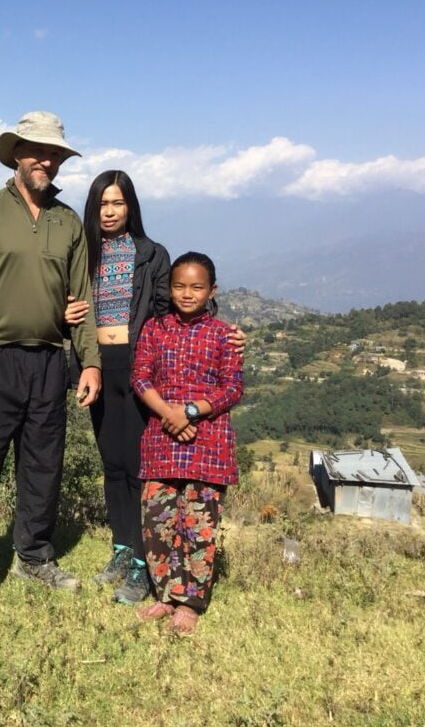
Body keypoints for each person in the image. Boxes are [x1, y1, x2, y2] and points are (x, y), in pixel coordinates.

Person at [64, 171, 245, 606]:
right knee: (112, 463)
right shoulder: (80, 252)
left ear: (131, 207)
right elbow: (62, 300)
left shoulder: (151, 254)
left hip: (140, 365)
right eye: (103, 203)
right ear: (93, 207)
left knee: (139, 463)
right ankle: (122, 550)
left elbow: (174, 314)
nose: (110, 211)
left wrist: (231, 337)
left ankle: (146, 562)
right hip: (96, 363)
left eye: (118, 203)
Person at [0, 111, 102, 614]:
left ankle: (33, 555)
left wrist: (90, 363)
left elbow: (82, 301)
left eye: (55, 153)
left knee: (43, 467)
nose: (47, 160)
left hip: (50, 361)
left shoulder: (68, 222)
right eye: (38, 151)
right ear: (16, 154)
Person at [130, 251, 243, 636]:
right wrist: (169, 414)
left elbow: (233, 387)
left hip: (207, 441)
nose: (187, 294)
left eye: (197, 287)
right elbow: (141, 377)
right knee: (158, 520)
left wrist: (190, 411)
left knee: (198, 524)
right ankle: (165, 594)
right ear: (169, 288)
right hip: (162, 437)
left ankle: (191, 601)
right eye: (179, 286)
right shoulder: (154, 329)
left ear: (212, 290)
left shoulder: (224, 334)